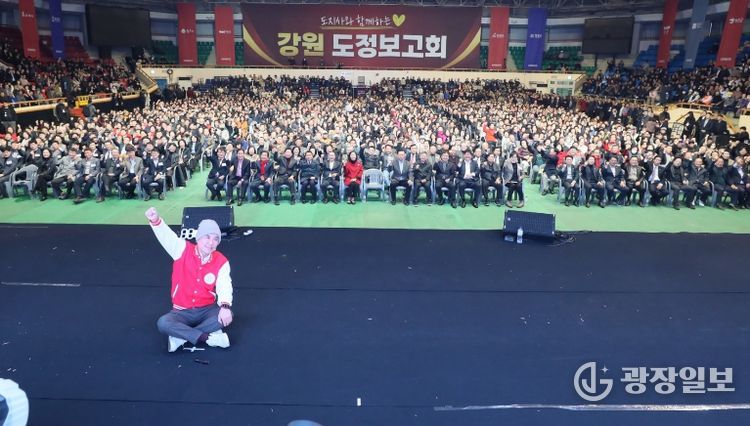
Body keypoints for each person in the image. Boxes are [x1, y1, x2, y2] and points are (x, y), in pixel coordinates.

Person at [147, 207, 233, 352]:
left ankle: (180, 337)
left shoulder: (221, 261)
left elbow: (225, 285)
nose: (211, 242)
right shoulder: (182, 249)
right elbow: (167, 237)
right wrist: (155, 220)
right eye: (207, 237)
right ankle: (208, 338)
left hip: (207, 310)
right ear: (198, 237)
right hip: (181, 311)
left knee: (227, 316)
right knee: (163, 323)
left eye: (215, 239)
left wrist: (225, 307)